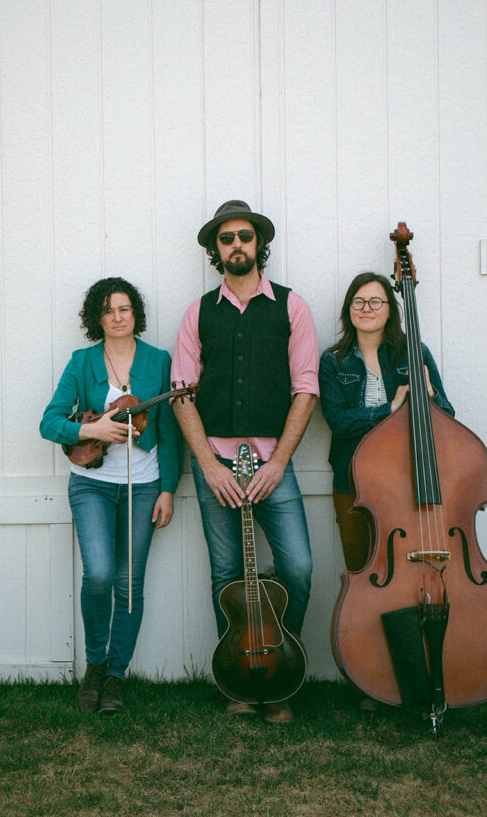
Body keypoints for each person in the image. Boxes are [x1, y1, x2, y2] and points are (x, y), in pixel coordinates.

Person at [171, 200, 319, 725]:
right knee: (227, 574)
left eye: (245, 236)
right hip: (215, 462)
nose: (237, 244)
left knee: (298, 568)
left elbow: (306, 389)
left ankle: (280, 670)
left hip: (273, 462)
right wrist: (209, 466)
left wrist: (278, 463)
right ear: (217, 249)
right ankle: (237, 679)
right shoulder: (197, 313)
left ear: (259, 244)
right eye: (227, 238)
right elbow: (181, 394)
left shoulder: (292, 307)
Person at [40, 277, 182, 714]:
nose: (117, 317)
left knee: (130, 582)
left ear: (135, 313)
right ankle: (95, 666)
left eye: (124, 309)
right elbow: (49, 422)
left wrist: (168, 489)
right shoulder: (82, 362)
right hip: (92, 486)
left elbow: (171, 431)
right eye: (108, 311)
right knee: (100, 575)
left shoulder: (159, 361)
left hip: (144, 485)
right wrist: (92, 430)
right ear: (96, 319)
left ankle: (116, 675)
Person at [318, 271, 454, 573]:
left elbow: (448, 418)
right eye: (358, 302)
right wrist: (388, 409)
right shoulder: (333, 361)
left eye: (375, 301)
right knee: (360, 568)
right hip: (353, 480)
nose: (366, 308)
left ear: (390, 309)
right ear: (348, 309)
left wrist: (430, 394)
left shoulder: (415, 352)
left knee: (410, 568)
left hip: (408, 479)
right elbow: (338, 422)